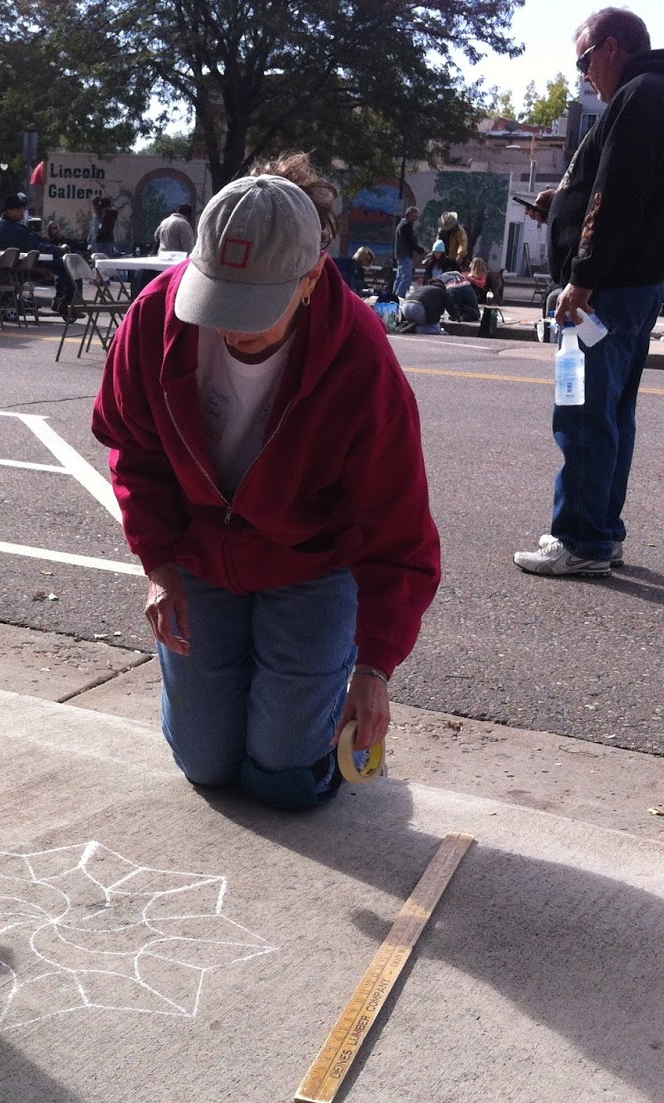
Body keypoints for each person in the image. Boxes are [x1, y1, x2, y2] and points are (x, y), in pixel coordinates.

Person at [91, 155, 440, 812]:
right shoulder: (153, 321)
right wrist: (160, 566)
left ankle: (296, 700)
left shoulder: (361, 358)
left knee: (282, 778)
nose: (230, 324)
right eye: (218, 296)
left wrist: (374, 666)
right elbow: (134, 453)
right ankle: (255, 693)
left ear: (311, 278)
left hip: (309, 564)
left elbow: (399, 534)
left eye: (255, 306)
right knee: (206, 764)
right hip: (200, 555)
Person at [515, 8, 664, 577]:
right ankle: (600, 531)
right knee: (612, 415)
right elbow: (618, 184)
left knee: (581, 413)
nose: (583, 76)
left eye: (583, 61)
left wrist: (583, 276)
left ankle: (580, 539)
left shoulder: (641, 94)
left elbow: (620, 194)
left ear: (611, 46)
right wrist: (564, 199)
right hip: (632, 286)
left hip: (605, 291)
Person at [0, 192, 73, 310]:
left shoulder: (5, 225)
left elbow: (34, 241)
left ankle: (61, 300)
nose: (22, 212)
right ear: (10, 211)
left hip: (20, 265)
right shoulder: (13, 229)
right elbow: (35, 246)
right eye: (19, 209)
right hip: (25, 265)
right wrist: (58, 250)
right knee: (66, 266)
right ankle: (64, 302)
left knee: (61, 265)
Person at [394, 207, 422, 301]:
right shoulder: (406, 226)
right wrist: (421, 250)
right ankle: (399, 298)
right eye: (414, 216)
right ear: (409, 214)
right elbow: (410, 242)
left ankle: (394, 297)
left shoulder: (401, 224)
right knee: (406, 278)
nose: (416, 218)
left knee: (399, 278)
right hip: (405, 255)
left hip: (400, 255)